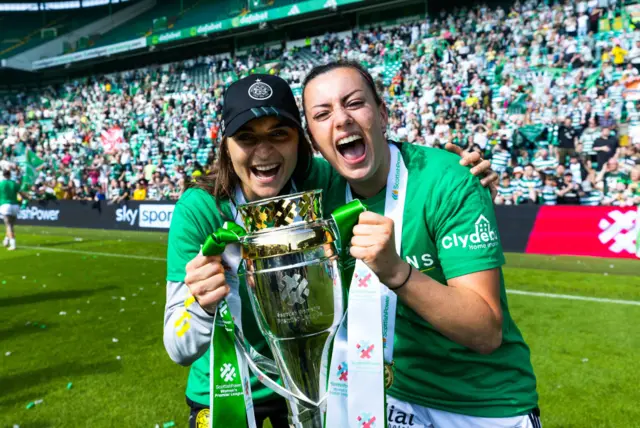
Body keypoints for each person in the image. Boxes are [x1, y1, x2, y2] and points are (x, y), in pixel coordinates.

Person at [163, 74, 497, 428]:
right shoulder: (200, 209)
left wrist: (458, 180)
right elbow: (178, 347)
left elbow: (390, 174)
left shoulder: (321, 184)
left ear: (301, 141)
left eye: (280, 133)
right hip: (229, 393)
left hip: (314, 392)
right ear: (226, 146)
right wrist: (199, 305)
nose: (264, 152)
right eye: (246, 137)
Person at [301, 61, 540, 427]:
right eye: (322, 113)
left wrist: (397, 272)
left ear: (381, 114)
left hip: (484, 404)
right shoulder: (316, 191)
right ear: (313, 139)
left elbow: (486, 331)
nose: (341, 119)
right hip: (390, 399)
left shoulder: (447, 180)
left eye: (354, 103)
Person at [0, 169, 23, 251]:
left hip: (5, 205)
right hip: (15, 205)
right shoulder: (14, 184)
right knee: (11, 225)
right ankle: (6, 240)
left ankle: (13, 244)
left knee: (9, 226)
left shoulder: (1, 184)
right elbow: (22, 194)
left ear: (3, 175)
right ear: (10, 175)